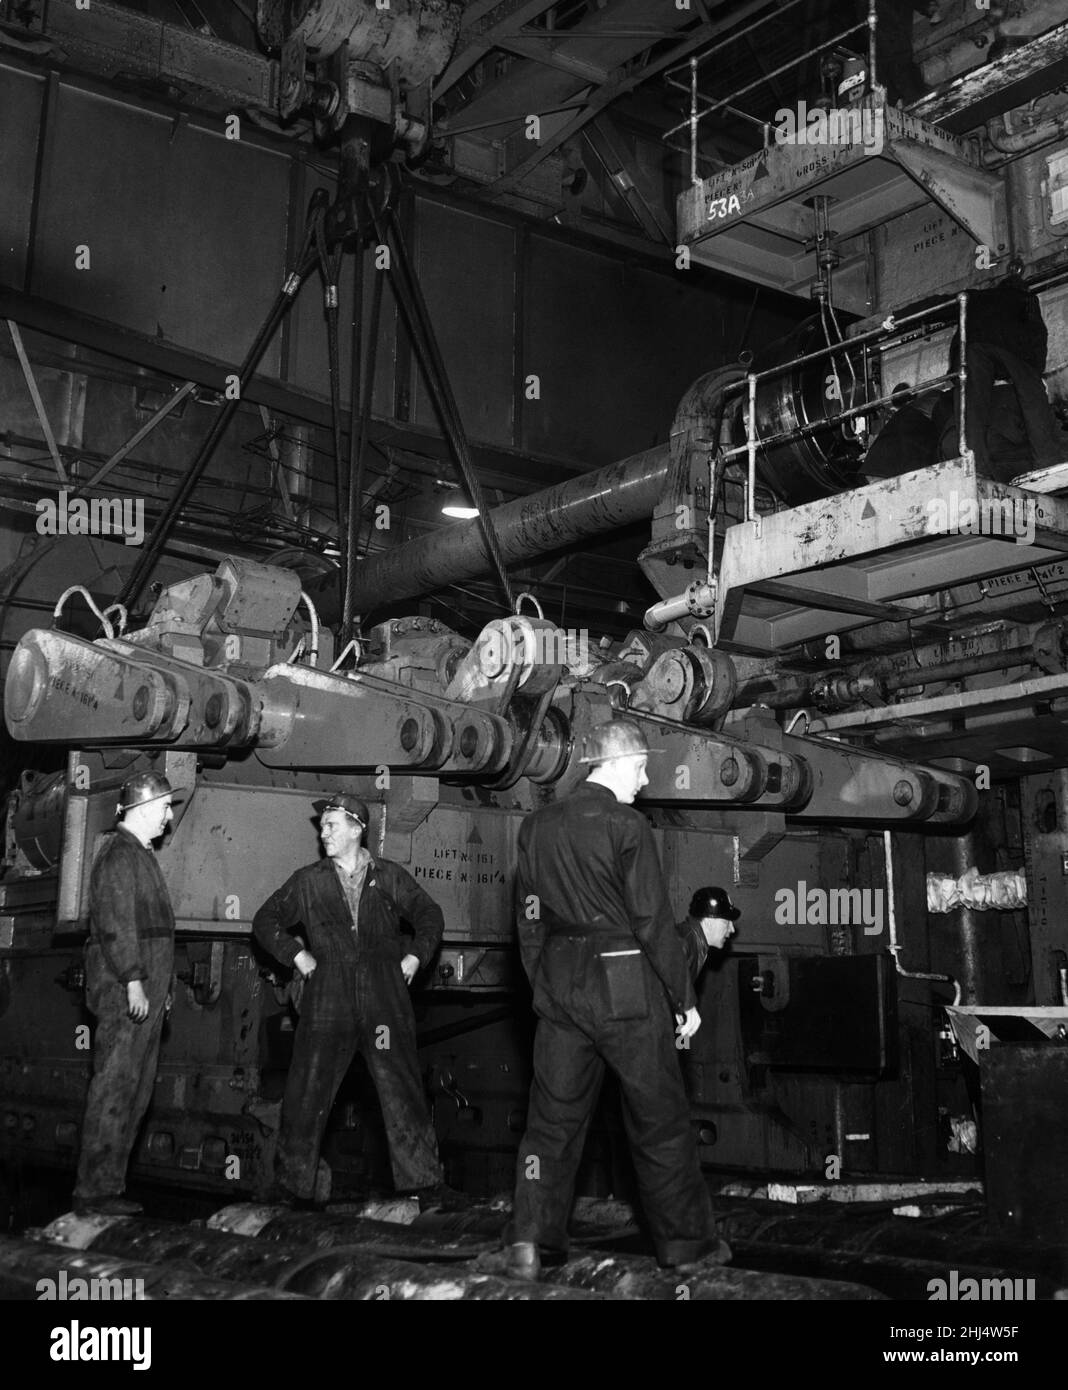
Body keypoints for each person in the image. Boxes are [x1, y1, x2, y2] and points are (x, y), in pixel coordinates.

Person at [502, 719, 729, 1282]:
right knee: (659, 1120)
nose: (647, 779)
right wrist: (683, 997)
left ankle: (530, 1243)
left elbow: (528, 919)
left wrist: (543, 982)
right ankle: (685, 1246)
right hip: (625, 983)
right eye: (641, 768)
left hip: (560, 984)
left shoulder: (536, 826)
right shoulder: (627, 825)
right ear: (616, 763)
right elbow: (652, 922)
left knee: (550, 1125)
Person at [252, 793, 451, 1209]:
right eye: (322, 826)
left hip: (383, 995)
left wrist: (416, 955)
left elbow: (429, 914)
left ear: (357, 828)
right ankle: (292, 1188)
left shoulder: (388, 876)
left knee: (401, 1087)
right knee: (308, 1089)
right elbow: (265, 920)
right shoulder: (309, 881)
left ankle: (425, 1184)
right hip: (329, 996)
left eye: (331, 825)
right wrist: (297, 955)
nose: (322, 832)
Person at [74, 771, 178, 1216]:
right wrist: (134, 980)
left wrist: (163, 986)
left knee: (135, 1091)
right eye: (164, 808)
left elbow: (153, 931)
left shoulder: (140, 854)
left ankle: (109, 1188)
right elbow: (117, 926)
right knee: (116, 1086)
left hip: (146, 989)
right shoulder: (118, 855)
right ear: (140, 809)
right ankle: (94, 1191)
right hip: (125, 990)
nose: (170, 817)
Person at [677, 886, 741, 979]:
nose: (732, 929)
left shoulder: (694, 942)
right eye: (727, 922)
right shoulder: (683, 945)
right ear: (708, 921)